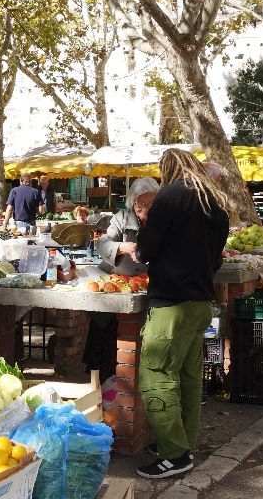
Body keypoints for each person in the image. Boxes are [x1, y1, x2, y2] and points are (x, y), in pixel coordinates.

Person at [133, 149, 229, 479]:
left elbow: (146, 250)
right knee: (187, 380)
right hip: (201, 303)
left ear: (167, 169)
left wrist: (145, 226)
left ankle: (174, 454)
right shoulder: (214, 203)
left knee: (156, 378)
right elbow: (216, 259)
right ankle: (182, 445)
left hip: (170, 303)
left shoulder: (169, 197)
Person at [96, 177, 158, 277]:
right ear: (133, 203)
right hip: (119, 279)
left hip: (149, 281)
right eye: (141, 204)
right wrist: (123, 247)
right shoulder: (122, 218)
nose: (147, 209)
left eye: (151, 204)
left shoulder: (161, 220)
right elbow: (101, 244)